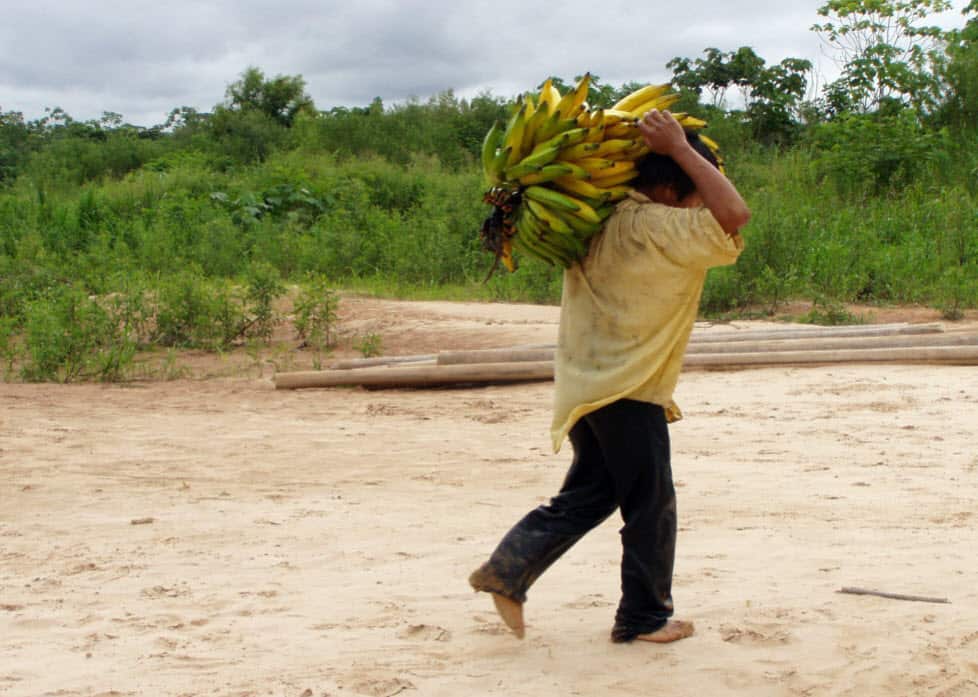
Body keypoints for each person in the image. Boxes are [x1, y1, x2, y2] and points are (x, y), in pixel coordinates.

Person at [468, 108, 751, 644]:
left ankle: (507, 570)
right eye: (693, 192)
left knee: (592, 494)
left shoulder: (601, 219)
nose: (699, 204)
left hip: (585, 386)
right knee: (652, 505)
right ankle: (642, 619)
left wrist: (676, 155)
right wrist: (681, 149)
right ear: (671, 190)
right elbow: (733, 214)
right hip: (628, 388)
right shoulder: (659, 226)